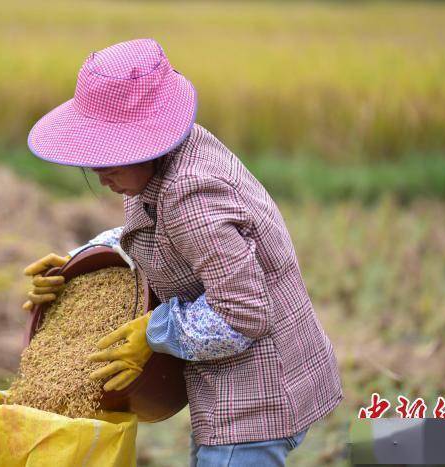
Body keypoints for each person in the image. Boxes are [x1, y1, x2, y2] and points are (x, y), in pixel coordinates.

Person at [22, 38, 343, 467]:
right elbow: (160, 238)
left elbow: (240, 312)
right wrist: (80, 261)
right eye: (94, 160)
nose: (102, 176)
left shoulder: (191, 194)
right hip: (234, 389)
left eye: (111, 158)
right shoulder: (161, 166)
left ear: (149, 139)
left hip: (255, 397)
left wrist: (152, 334)